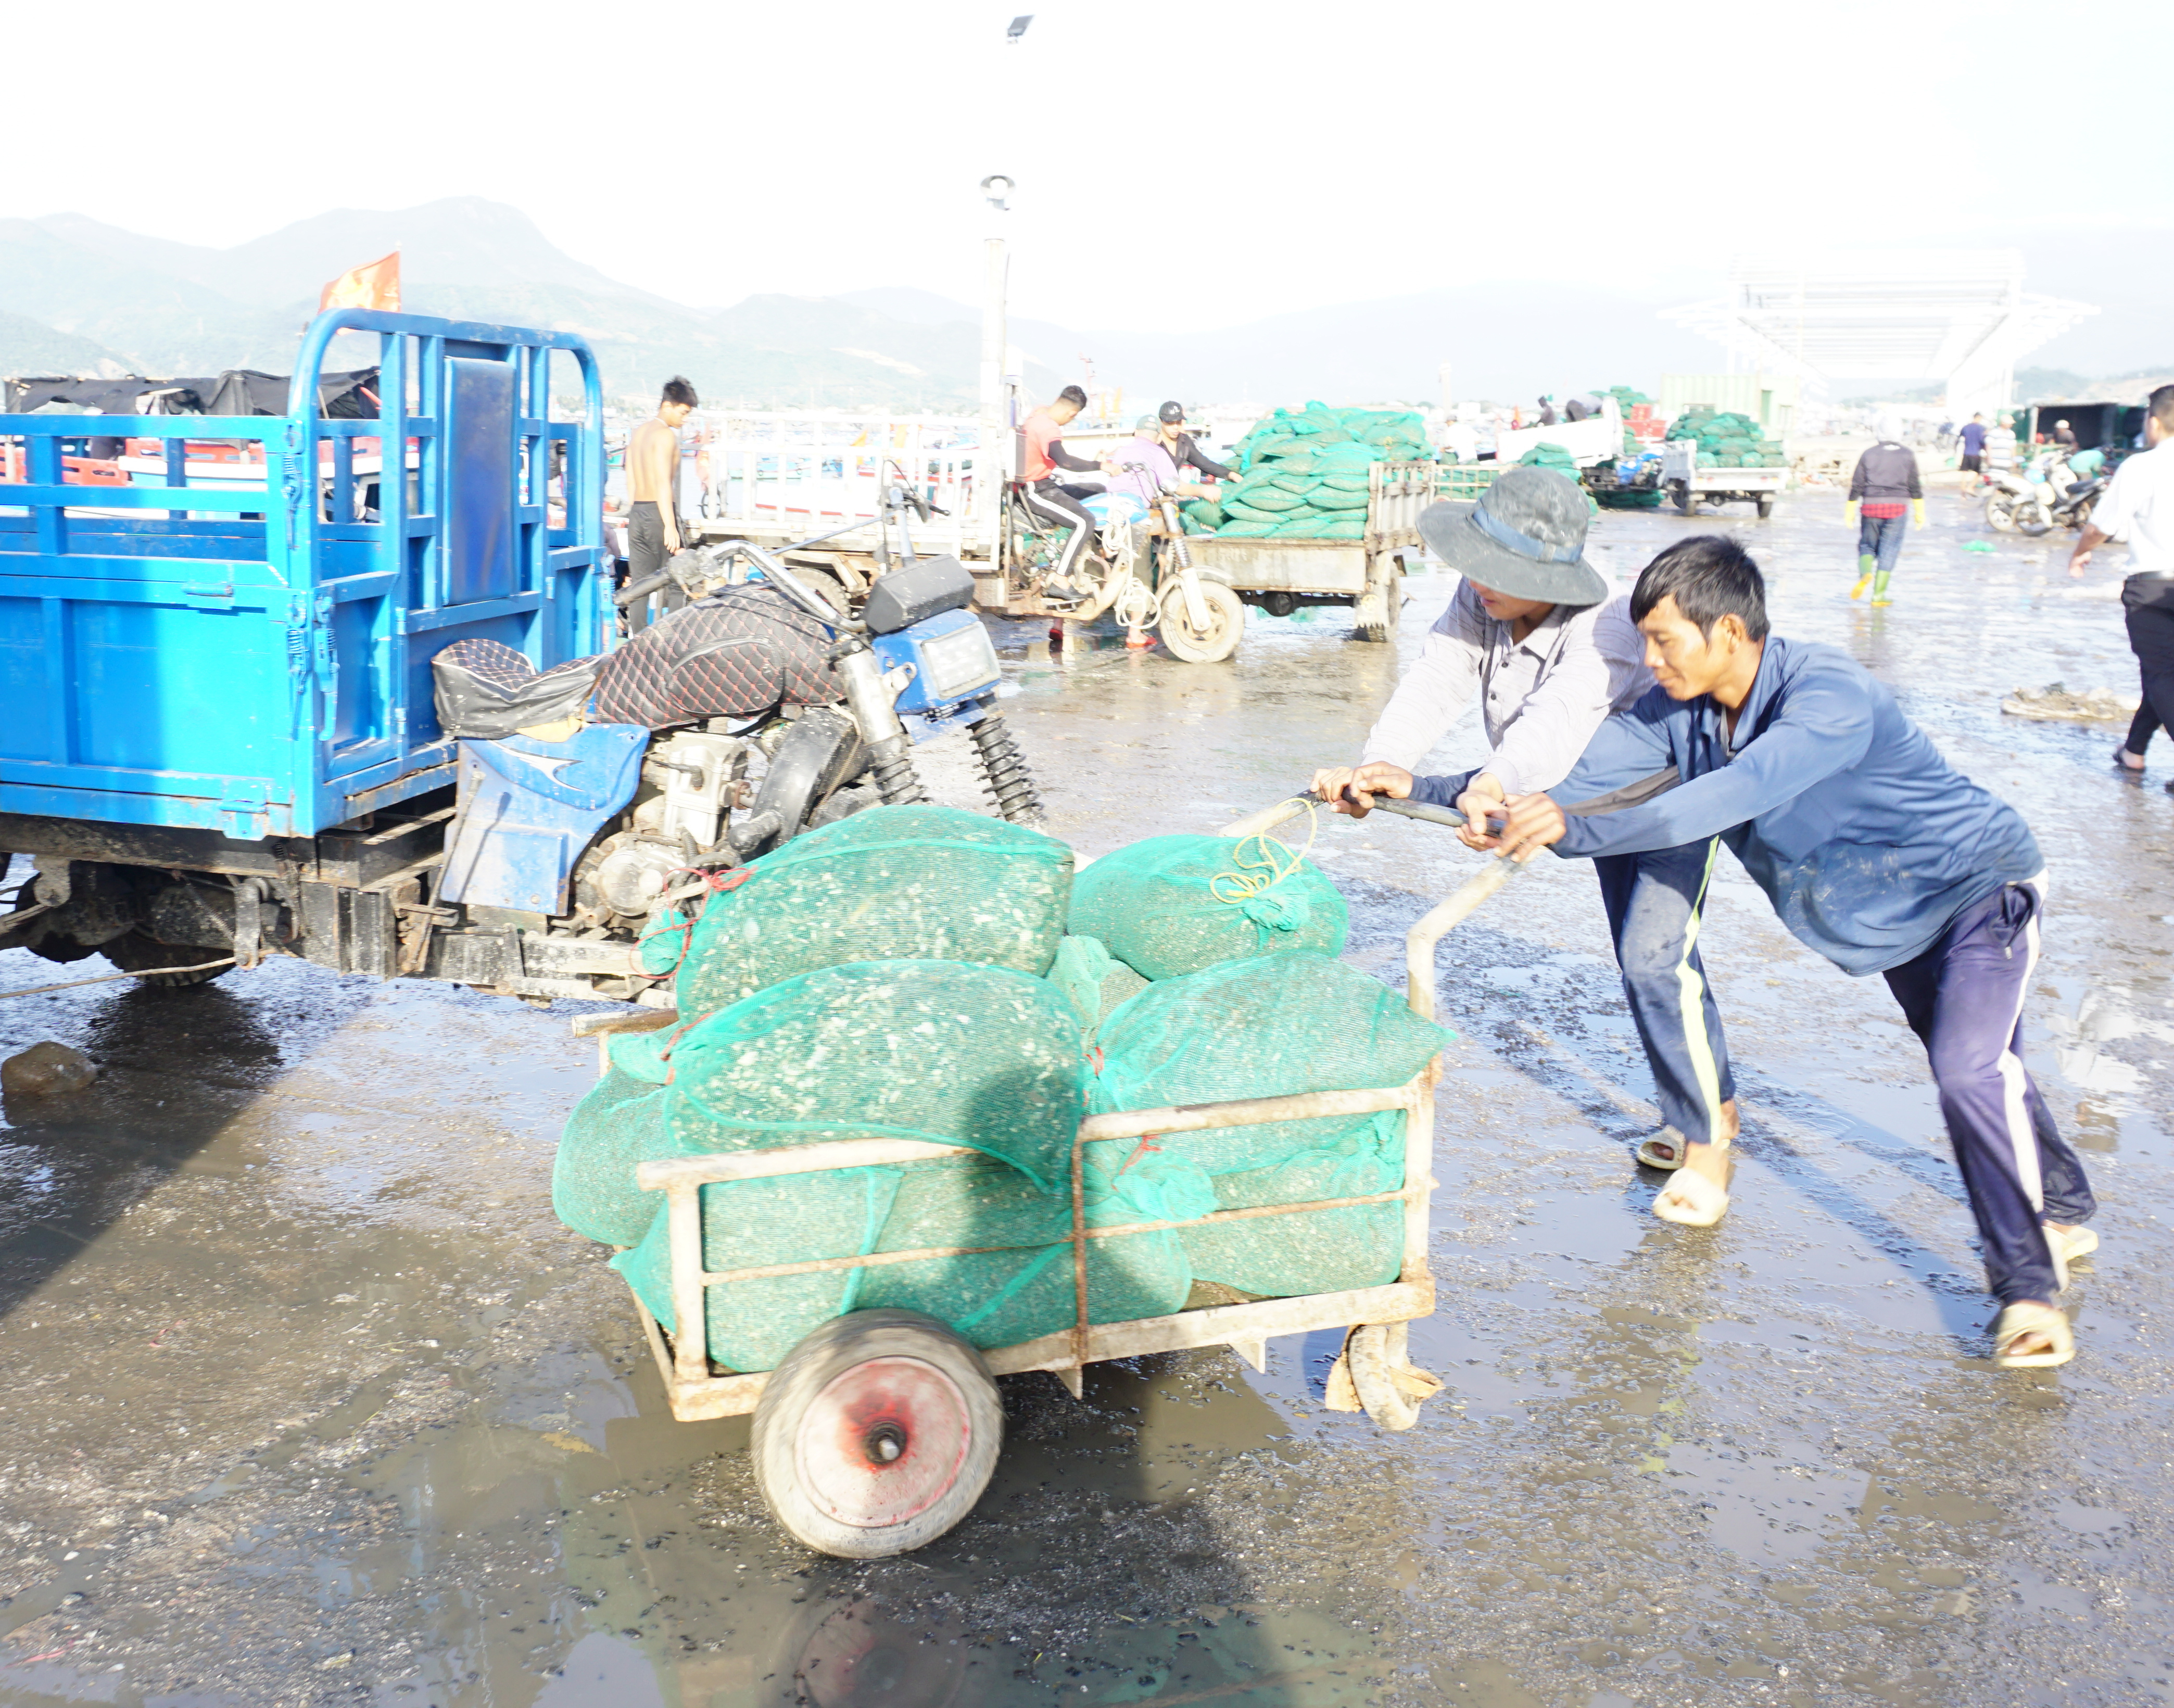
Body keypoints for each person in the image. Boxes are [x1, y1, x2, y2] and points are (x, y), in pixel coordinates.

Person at [1430, 535, 2095, 1368]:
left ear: (1733, 632)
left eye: (1666, 640)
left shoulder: (1830, 696)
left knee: (1967, 1068)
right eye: (1643, 639)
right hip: (1885, 919)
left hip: (1974, 895)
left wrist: (1576, 825)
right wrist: (1435, 790)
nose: (1649, 659)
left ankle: (2028, 1289)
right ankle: (2064, 1199)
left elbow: (1727, 797)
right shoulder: (1677, 713)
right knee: (1982, 1061)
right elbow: (1576, 781)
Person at [1309, 467, 1741, 1173]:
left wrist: (1492, 781)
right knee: (1646, 954)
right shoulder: (1482, 592)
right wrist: (1383, 760)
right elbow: (1439, 675)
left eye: (1498, 571)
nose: (1478, 581)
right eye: (1475, 565)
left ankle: (1705, 1124)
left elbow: (1559, 718)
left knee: (1654, 955)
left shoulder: (1605, 618)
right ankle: (1704, 1099)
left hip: (1657, 791)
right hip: (1564, 792)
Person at [2069, 384, 2174, 779]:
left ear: (2154, 421)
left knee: (2163, 673)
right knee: (2161, 671)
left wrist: (2080, 551)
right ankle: (2134, 751)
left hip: (2153, 587)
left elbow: (2100, 527)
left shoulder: (2143, 465)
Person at [1019, 385, 1111, 599]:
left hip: (1047, 484)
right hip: (1035, 490)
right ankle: (1061, 580)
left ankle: (1094, 555)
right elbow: (1066, 462)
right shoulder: (1048, 428)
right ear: (1072, 414)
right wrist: (1101, 466)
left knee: (1098, 490)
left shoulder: (1039, 415)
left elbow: (1042, 409)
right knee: (1085, 521)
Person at [627, 377, 699, 631]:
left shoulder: (639, 433)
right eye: (683, 412)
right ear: (668, 405)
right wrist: (670, 525)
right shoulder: (665, 436)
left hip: (637, 512)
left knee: (639, 586)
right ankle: (671, 643)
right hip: (660, 513)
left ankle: (636, 645)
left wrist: (634, 514)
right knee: (679, 579)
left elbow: (631, 478)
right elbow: (663, 484)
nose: (685, 419)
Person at [1847, 413, 1926, 605]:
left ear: (1879, 431)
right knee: (1889, 550)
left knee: (1867, 545)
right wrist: (1919, 512)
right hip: (1897, 507)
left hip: (1871, 506)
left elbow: (1858, 483)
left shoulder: (1869, 453)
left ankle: (1866, 574)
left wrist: (1850, 508)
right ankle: (1878, 596)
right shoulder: (1907, 454)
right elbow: (1914, 484)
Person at [1152, 401, 1237, 485]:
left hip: (1173, 489)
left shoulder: (1185, 442)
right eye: (1170, 423)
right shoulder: (1153, 442)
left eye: (1178, 423)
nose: (1175, 427)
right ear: (1160, 422)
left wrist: (1230, 474)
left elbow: (1204, 463)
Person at [1958, 412, 1988, 484]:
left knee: (1964, 473)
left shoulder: (1966, 427)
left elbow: (1960, 439)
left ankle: (1963, 491)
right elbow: (1982, 441)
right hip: (1976, 453)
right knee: (1978, 472)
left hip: (1966, 453)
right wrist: (1986, 451)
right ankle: (1970, 487)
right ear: (1979, 418)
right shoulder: (1981, 428)